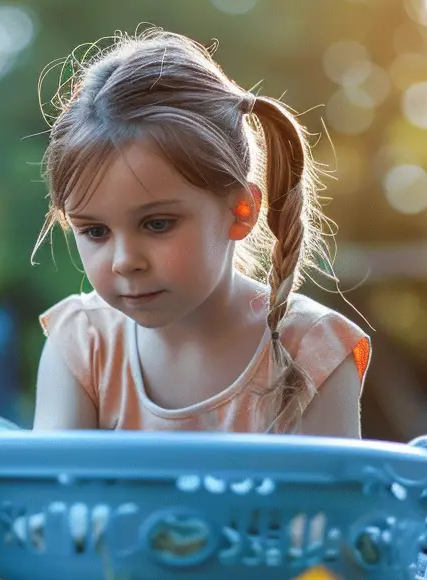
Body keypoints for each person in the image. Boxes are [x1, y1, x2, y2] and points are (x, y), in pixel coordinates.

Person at [30, 28, 372, 438]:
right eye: (96, 231)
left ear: (241, 210)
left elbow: (325, 503)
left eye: (157, 224)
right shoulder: (82, 346)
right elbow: (53, 498)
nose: (124, 261)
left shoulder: (313, 352)